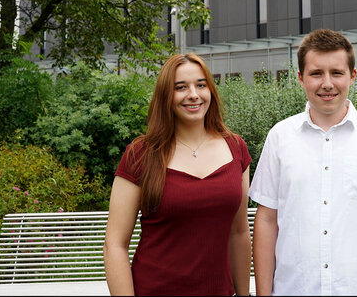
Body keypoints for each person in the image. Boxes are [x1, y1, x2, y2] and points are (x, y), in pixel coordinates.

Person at [249, 29, 357, 296]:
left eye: (336, 72)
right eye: (316, 73)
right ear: (300, 78)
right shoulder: (279, 137)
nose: (327, 83)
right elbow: (266, 221)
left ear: (352, 76)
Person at [104, 53, 252, 296]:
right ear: (166, 96)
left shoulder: (236, 148)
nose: (193, 94)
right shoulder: (141, 154)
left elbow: (239, 232)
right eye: (180, 87)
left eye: (201, 85)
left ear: (211, 91)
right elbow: (115, 245)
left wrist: (244, 294)